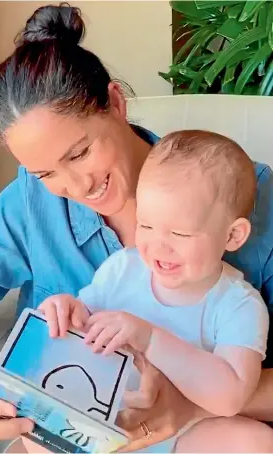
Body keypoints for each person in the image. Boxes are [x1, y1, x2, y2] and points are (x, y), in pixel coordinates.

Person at [0, 2, 273, 452]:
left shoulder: (252, 200)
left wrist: (188, 409)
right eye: (46, 174)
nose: (76, 186)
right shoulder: (33, 202)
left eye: (79, 153)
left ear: (115, 103)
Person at [38, 130, 271, 452]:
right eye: (145, 225)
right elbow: (82, 321)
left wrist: (150, 339)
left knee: (255, 442)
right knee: (34, 429)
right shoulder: (122, 268)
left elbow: (230, 397)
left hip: (185, 433)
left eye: (179, 232)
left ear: (232, 236)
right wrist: (65, 309)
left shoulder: (238, 304)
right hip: (105, 423)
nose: (158, 246)